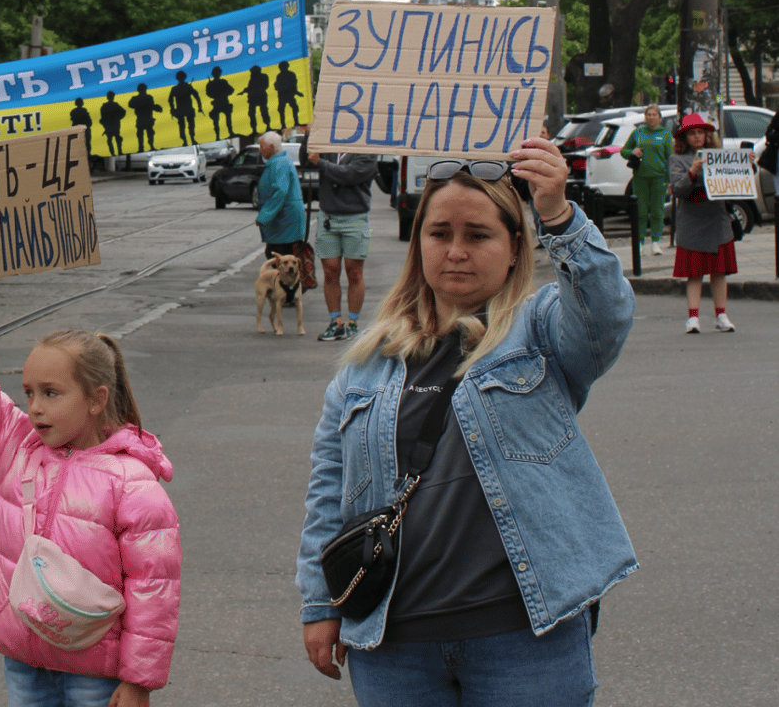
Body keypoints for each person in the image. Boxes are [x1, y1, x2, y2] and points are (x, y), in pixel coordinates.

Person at [297, 138, 637, 706]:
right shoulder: (367, 363)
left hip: (524, 638)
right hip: (395, 646)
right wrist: (318, 603)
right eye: (440, 233)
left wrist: (557, 214)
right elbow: (329, 493)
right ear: (418, 244)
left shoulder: (540, 330)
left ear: (514, 247)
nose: (456, 251)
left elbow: (606, 315)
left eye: (478, 235)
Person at [0, 259, 181, 707]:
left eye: (51, 393)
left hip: (96, 673)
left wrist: (139, 680)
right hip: (25, 661)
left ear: (96, 400)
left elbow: (154, 589)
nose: (33, 407)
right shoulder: (14, 451)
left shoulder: (132, 483)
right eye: (29, 392)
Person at [668, 113, 737, 333]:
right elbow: (678, 189)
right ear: (684, 138)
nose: (697, 136)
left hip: (717, 218)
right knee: (695, 273)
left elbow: (735, 181)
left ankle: (721, 316)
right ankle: (693, 318)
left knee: (719, 272)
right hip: (692, 220)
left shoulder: (718, 156)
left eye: (701, 132)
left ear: (707, 135)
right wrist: (693, 171)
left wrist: (748, 166)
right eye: (692, 133)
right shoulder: (677, 159)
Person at [309, 150, 377, 341]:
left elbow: (350, 175)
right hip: (328, 217)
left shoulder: (367, 152)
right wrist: (308, 139)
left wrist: (320, 163)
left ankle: (352, 322)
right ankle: (336, 322)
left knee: (354, 271)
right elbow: (307, 159)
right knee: (330, 270)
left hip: (355, 217)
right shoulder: (327, 145)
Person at [255, 131, 307, 304]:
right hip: (284, 218)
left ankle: (289, 292)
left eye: (262, 147)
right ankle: (288, 291)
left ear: (271, 147)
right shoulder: (279, 161)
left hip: (284, 219)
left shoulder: (279, 163)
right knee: (279, 253)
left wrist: (264, 215)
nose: (260, 150)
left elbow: (280, 191)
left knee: (279, 254)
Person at [620, 104, 673, 255]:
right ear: (645, 117)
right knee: (641, 211)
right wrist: (633, 152)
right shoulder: (638, 133)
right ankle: (640, 242)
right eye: (648, 115)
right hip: (640, 177)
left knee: (657, 211)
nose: (651, 117)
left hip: (659, 178)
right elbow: (624, 151)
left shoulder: (665, 134)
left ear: (659, 117)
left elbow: (670, 158)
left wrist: (670, 180)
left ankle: (656, 242)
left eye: (654, 115)